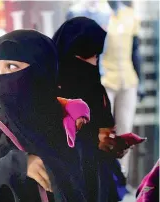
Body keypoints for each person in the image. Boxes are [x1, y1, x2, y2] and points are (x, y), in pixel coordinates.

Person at [0, 29, 91, 202]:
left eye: (11, 66)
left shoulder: (69, 123)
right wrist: (13, 166)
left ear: (41, 69)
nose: (1, 76)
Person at [52, 17, 129, 202]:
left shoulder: (54, 81)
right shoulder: (82, 86)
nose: (95, 62)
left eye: (97, 56)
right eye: (92, 55)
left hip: (78, 176)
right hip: (83, 175)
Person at [102, 0, 143, 178]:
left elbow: (135, 50)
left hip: (127, 79)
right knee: (104, 131)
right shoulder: (97, 12)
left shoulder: (131, 14)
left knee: (125, 131)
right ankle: (102, 176)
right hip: (104, 80)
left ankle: (120, 176)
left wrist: (140, 82)